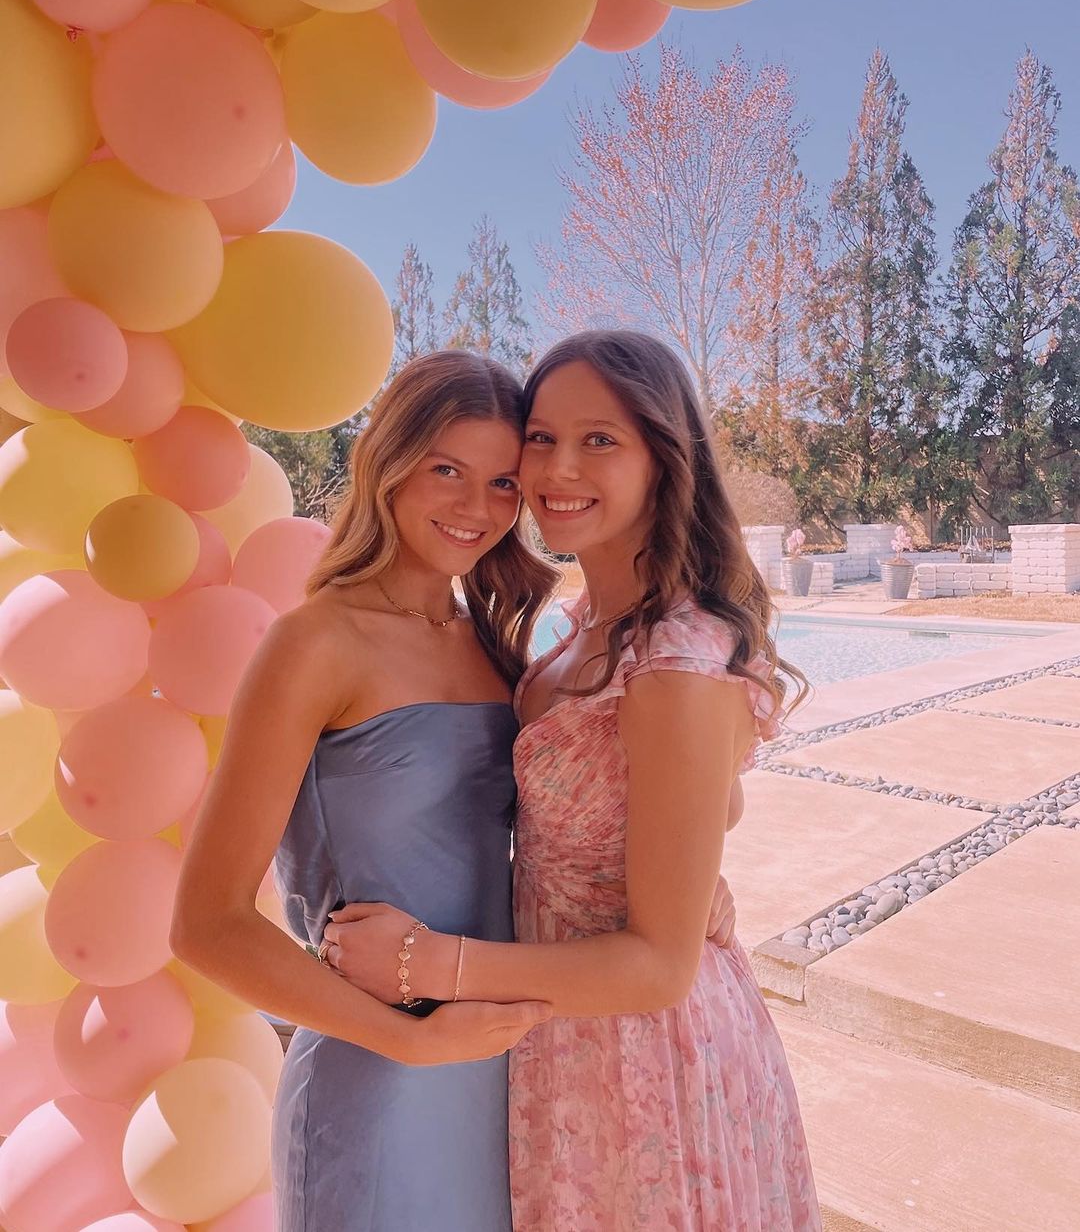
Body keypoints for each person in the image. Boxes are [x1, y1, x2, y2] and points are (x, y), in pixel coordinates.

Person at [323, 330, 821, 1231]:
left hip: (646, 1060)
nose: (558, 468)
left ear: (663, 460)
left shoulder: (672, 659)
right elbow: (704, 796)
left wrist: (429, 963)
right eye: (542, 438)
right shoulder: (589, 624)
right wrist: (683, 863)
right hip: (566, 1036)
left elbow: (659, 968)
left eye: (600, 440)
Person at [171, 350, 558, 1232]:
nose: (476, 507)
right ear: (390, 461)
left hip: (496, 1076)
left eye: (503, 482)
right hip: (377, 1079)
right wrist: (411, 1040)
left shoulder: (491, 643)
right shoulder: (315, 642)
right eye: (447, 470)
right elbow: (205, 924)